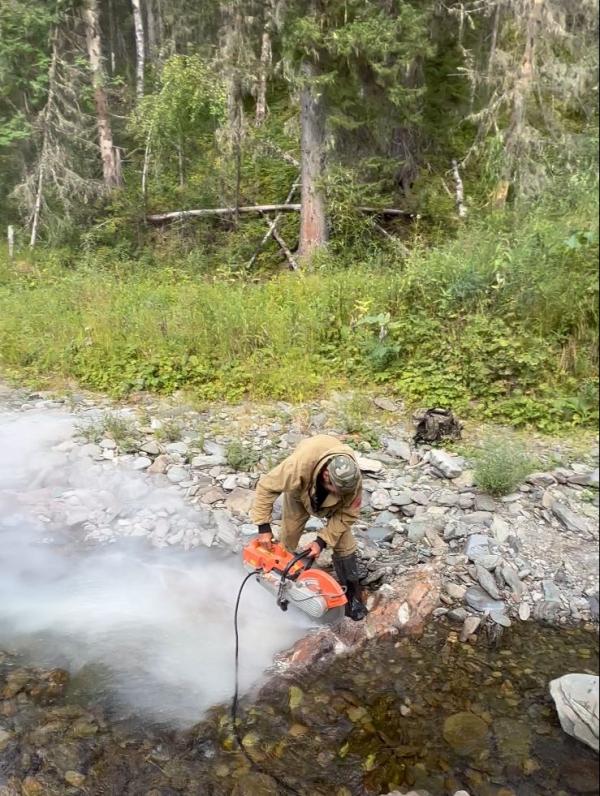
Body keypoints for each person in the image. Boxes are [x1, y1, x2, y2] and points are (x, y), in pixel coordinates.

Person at [250, 434, 367, 621]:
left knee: (345, 545)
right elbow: (266, 487)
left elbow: (348, 514)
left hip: (335, 507)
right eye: (337, 489)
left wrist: (321, 541)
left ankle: (353, 599)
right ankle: (282, 587)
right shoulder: (298, 465)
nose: (342, 493)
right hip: (300, 495)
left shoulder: (351, 482)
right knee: (288, 538)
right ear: (326, 474)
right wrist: (263, 527)